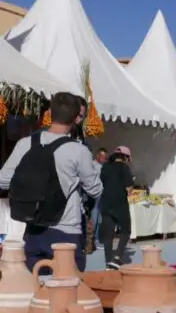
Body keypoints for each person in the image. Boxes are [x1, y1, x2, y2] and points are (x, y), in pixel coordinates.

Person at [0, 92, 102, 271]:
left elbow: (3, 180)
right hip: (67, 232)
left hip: (33, 228)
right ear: (75, 118)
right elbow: (95, 190)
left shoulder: (25, 144)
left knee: (37, 288)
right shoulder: (78, 151)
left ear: (50, 114)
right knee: (68, 291)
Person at [99, 146, 134, 269]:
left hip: (105, 202)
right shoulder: (124, 168)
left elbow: (100, 182)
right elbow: (129, 189)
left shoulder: (105, 167)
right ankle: (117, 257)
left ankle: (108, 262)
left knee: (108, 234)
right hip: (120, 203)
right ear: (125, 157)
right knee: (126, 230)